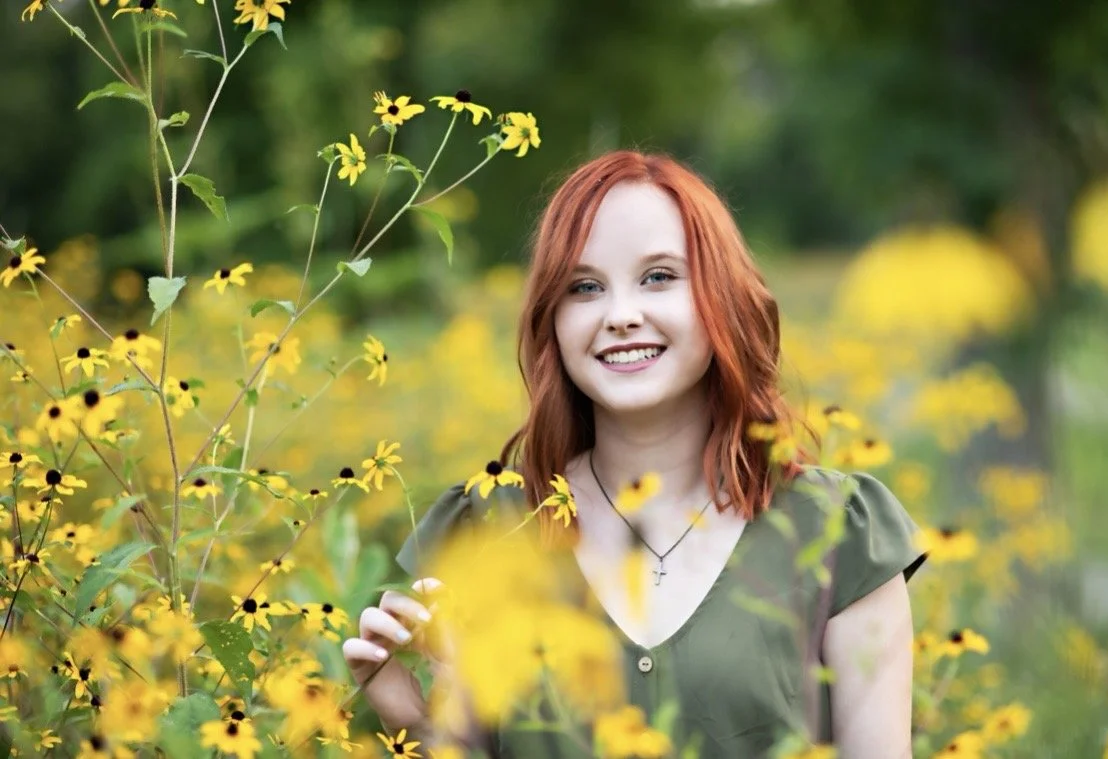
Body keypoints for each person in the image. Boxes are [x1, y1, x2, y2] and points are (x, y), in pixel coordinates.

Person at [342, 150, 927, 758]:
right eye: (585, 287)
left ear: (721, 296)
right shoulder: (482, 532)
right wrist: (428, 732)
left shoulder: (839, 533)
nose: (621, 316)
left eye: (659, 277)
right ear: (552, 319)